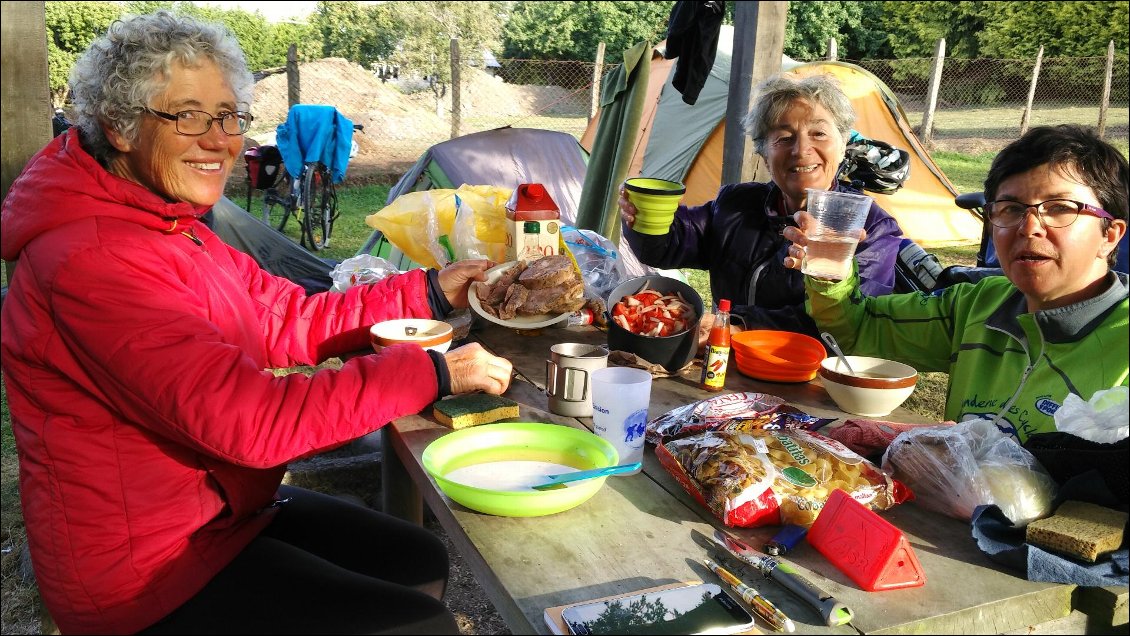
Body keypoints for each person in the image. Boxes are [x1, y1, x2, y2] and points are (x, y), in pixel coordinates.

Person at [0, 11, 513, 634]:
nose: (219, 140)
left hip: (217, 513)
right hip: (144, 574)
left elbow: (288, 316)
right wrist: (430, 373)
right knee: (415, 624)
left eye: (227, 116)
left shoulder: (167, 222)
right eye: (188, 115)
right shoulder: (95, 258)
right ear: (121, 126)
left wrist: (430, 290)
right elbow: (251, 419)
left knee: (413, 557)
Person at [784, 124, 1128, 442]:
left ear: (1110, 235)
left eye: (1058, 208)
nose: (1029, 227)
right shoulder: (977, 306)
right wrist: (831, 268)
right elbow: (861, 330)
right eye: (1010, 208)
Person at [618, 73, 904, 349]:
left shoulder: (871, 228)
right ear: (764, 154)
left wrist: (742, 326)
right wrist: (640, 217)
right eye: (783, 138)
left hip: (810, 379)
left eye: (818, 133)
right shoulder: (736, 205)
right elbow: (665, 247)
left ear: (842, 147)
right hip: (723, 363)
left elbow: (851, 322)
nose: (802, 149)